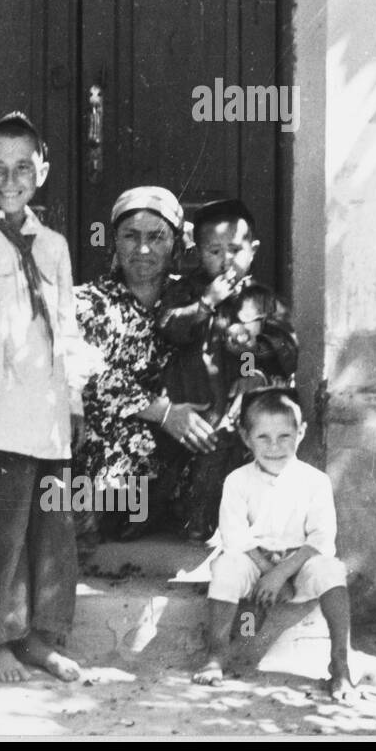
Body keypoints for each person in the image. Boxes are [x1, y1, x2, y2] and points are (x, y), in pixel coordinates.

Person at [0, 112, 83, 684]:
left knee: (53, 530)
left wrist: (76, 399)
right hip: (2, 411)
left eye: (22, 168)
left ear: (42, 171)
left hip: (50, 410)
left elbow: (67, 325)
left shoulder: (53, 245)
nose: (10, 181)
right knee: (5, 532)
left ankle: (43, 637)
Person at [192, 388, 357, 703]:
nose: (274, 447)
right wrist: (269, 573)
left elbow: (321, 539)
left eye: (284, 436)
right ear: (246, 437)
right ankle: (216, 655)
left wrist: (281, 575)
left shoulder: (316, 481)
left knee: (332, 570)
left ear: (301, 433)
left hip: (300, 564)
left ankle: (340, 664)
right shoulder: (237, 481)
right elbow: (235, 536)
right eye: (263, 437)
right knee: (226, 567)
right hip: (255, 563)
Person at [74, 187, 214, 544]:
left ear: (176, 245)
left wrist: (248, 371)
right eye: (130, 236)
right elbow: (90, 378)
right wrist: (164, 413)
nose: (143, 249)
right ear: (114, 242)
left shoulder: (193, 301)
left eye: (157, 237)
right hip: (113, 452)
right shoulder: (87, 302)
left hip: (178, 446)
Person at [158, 198, 298, 540]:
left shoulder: (261, 299)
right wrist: (206, 303)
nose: (225, 260)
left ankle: (224, 523)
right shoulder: (184, 291)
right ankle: (185, 518)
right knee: (185, 466)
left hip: (237, 406)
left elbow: (286, 348)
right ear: (198, 253)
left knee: (234, 461)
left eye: (235, 250)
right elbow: (168, 328)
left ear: (253, 250)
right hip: (193, 401)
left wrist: (254, 361)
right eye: (214, 251)